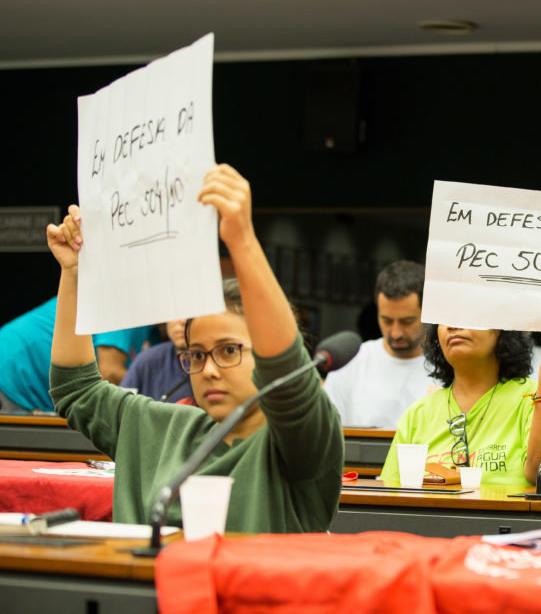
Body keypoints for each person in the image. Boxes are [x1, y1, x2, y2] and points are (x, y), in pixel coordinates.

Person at [47, 164, 344, 533]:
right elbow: (77, 389)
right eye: (198, 354)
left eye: (230, 350)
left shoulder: (302, 444)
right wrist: (75, 273)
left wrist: (241, 240)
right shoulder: (162, 428)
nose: (210, 369)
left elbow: (287, 380)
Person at [380, 320, 541, 486]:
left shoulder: (535, 396)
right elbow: (388, 495)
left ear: (503, 329)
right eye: (444, 319)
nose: (452, 325)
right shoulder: (418, 412)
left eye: (468, 315)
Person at [324, 260, 434, 428]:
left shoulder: (449, 367)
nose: (396, 333)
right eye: (387, 320)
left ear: (427, 313)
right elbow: (326, 433)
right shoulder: (351, 363)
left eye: (407, 321)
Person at [0, 297, 158, 411]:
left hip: (36, 388)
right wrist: (160, 400)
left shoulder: (157, 335)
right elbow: (109, 372)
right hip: (13, 373)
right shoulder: (126, 301)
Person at [119, 319, 190, 401]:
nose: (183, 321)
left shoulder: (206, 367)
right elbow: (120, 407)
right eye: (176, 313)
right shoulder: (147, 361)